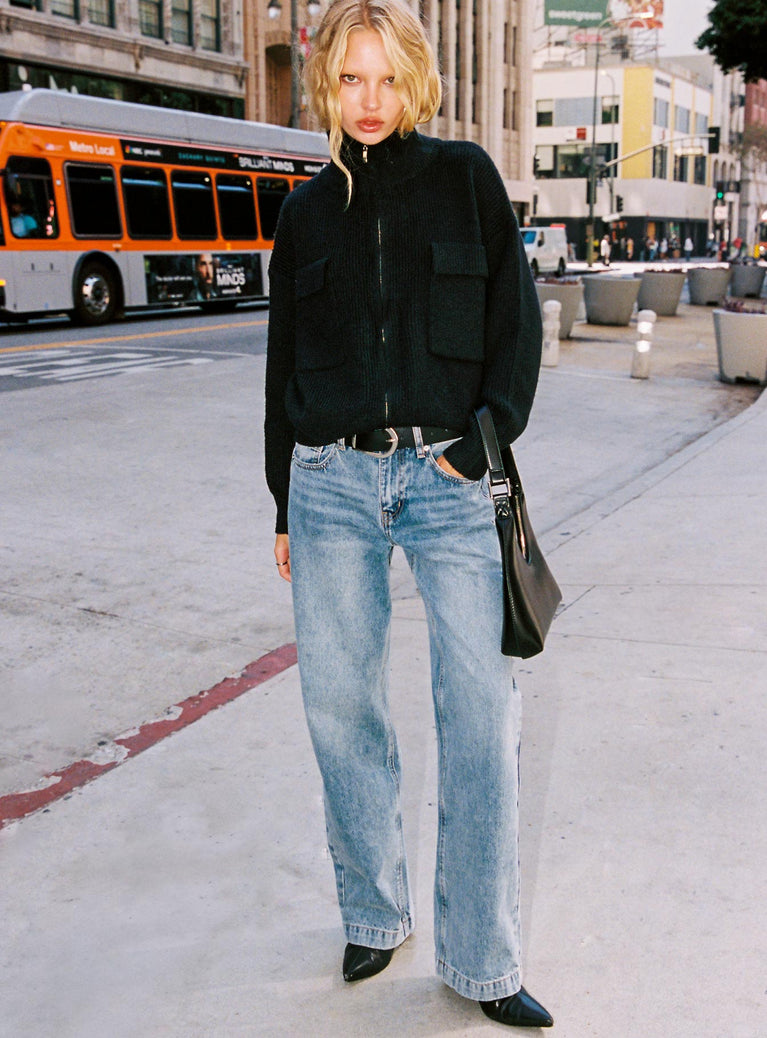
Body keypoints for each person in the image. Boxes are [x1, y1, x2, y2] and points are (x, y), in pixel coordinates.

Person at [264, 0, 553, 1028]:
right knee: (342, 713)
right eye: (349, 79)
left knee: (478, 719)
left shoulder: (464, 178)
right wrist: (283, 504)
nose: (369, 100)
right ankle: (373, 913)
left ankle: (481, 960)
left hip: (446, 482)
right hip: (332, 485)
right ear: (326, 89)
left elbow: (514, 324)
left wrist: (486, 436)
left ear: (416, 80)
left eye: (385, 78)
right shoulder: (302, 214)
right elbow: (282, 366)